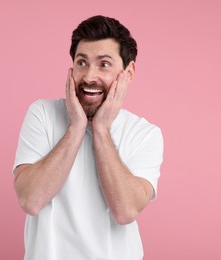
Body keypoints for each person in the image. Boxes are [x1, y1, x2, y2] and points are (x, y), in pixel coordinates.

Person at [12, 15, 164, 260]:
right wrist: (76, 128)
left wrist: (101, 129)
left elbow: (125, 211)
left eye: (104, 64)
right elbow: (30, 200)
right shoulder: (42, 114)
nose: (89, 76)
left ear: (128, 72)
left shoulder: (145, 134)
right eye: (82, 62)